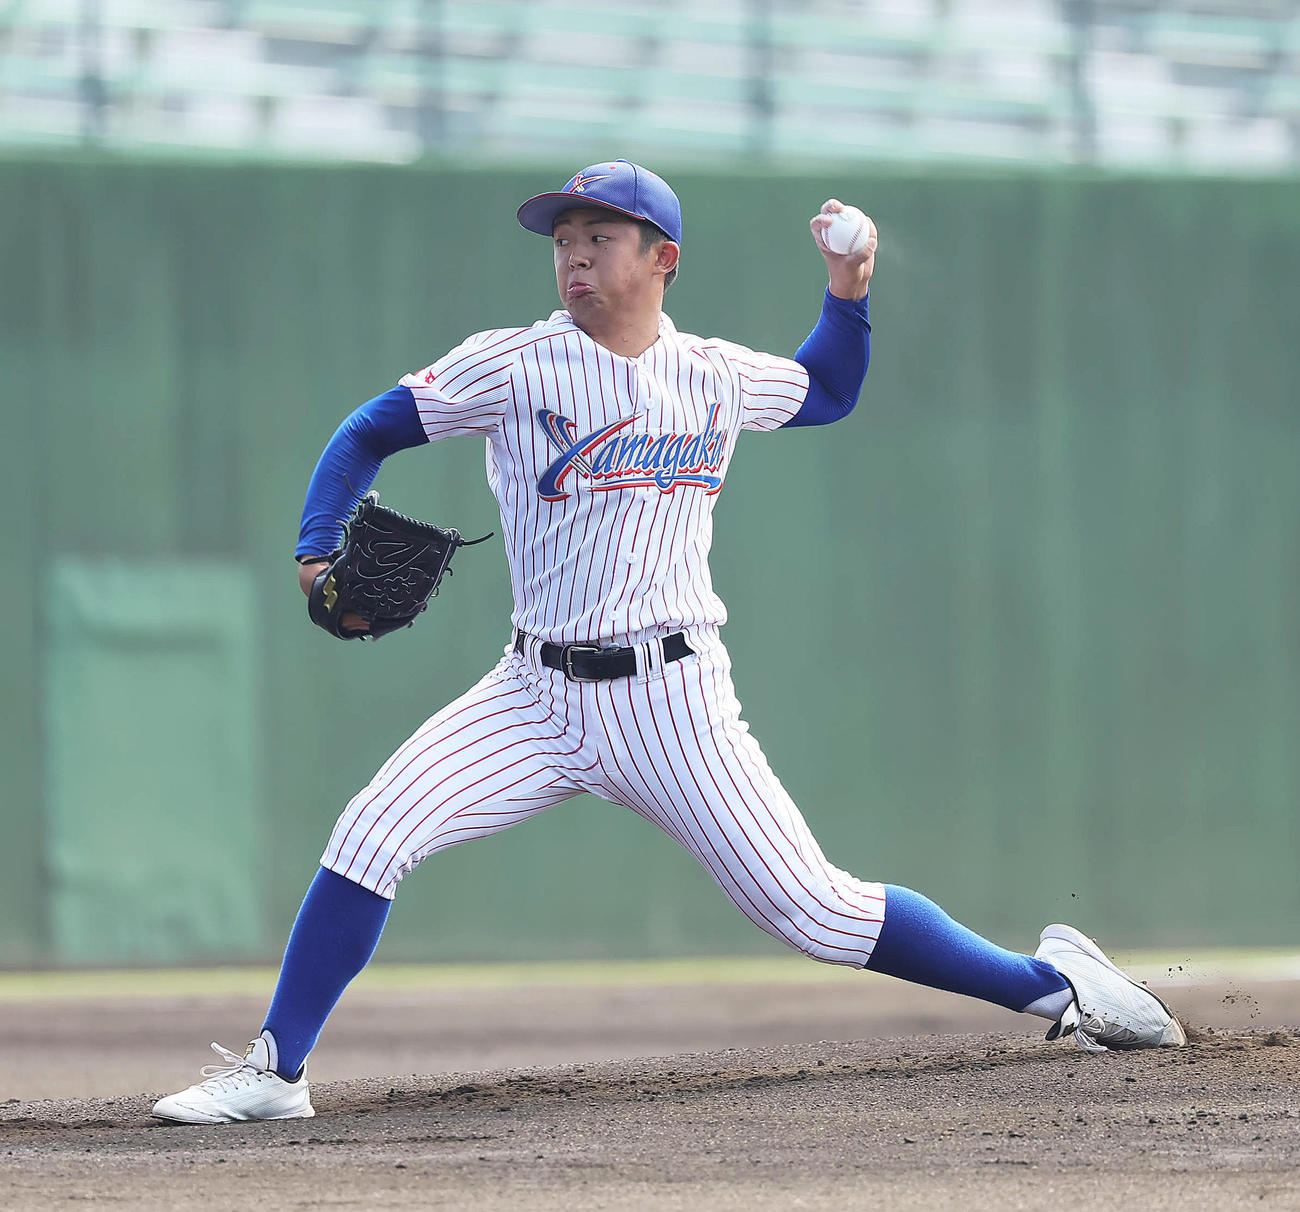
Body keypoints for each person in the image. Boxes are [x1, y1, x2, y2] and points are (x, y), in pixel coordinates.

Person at [152, 160, 1184, 1125]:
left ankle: (1057, 986)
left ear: (663, 260)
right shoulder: (514, 365)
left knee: (816, 915)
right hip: (533, 692)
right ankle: (274, 1072)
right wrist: (313, 546)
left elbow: (825, 390)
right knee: (372, 830)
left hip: (672, 698)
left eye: (600, 236)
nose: (573, 257)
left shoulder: (713, 377)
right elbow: (367, 430)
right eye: (563, 239)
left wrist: (849, 286)